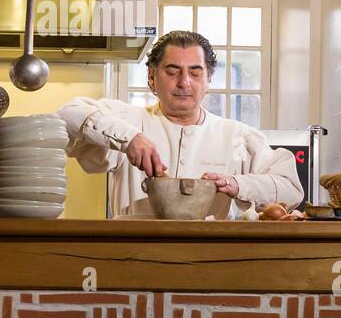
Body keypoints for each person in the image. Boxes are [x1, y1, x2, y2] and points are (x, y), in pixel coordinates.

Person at [58, 30, 304, 219]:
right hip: (134, 257)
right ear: (152, 78)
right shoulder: (129, 121)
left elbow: (290, 189)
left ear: (209, 79)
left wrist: (237, 184)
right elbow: (66, 114)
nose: (184, 82)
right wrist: (128, 138)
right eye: (172, 71)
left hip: (212, 264)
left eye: (195, 72)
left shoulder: (237, 136)